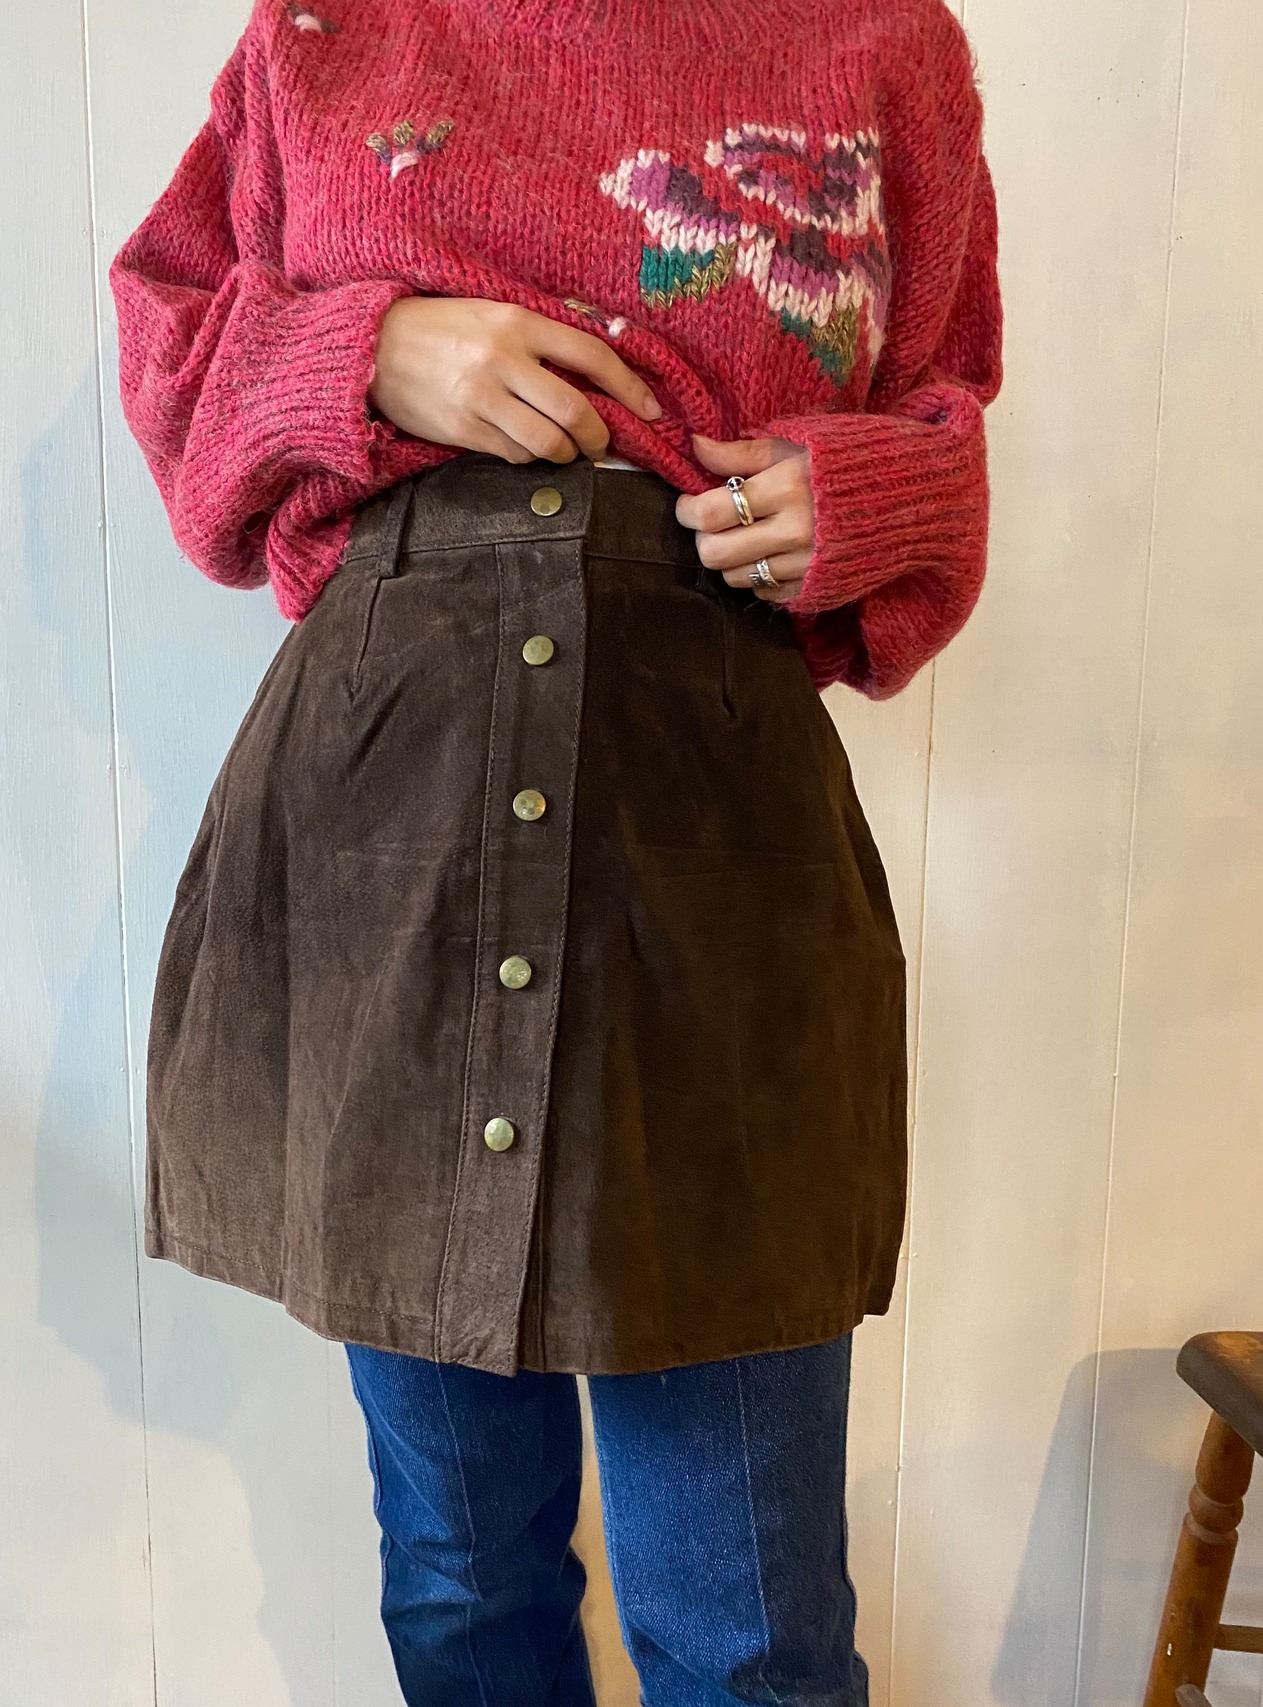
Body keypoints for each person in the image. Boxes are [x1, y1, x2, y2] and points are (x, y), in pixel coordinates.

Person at [109, 0, 1002, 1699]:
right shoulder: (328, 32)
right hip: (389, 835)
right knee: (461, 1580)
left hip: (712, 841)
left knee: (749, 1631)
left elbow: (945, 416)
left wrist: (865, 496)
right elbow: (172, 341)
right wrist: (361, 353)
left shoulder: (883, 43)